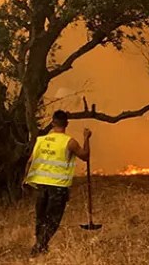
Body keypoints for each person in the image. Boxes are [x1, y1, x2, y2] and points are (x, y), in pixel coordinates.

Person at [23, 110, 91, 257]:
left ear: (52, 123)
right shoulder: (70, 142)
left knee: (40, 217)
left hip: (41, 185)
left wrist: (26, 181)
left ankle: (40, 245)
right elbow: (85, 156)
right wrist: (86, 138)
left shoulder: (41, 141)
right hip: (58, 187)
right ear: (66, 124)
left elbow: (30, 162)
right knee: (53, 219)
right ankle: (40, 246)